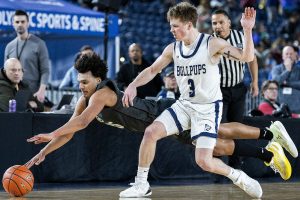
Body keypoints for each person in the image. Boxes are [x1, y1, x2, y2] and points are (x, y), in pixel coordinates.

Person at [25, 53, 297, 182]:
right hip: (161, 122)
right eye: (79, 81)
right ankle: (269, 145)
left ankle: (270, 139)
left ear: (97, 78)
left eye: (84, 81)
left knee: (220, 137)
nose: (81, 86)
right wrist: (45, 152)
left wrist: (50, 133)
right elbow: (71, 130)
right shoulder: (86, 97)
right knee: (219, 141)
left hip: (165, 113)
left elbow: (81, 123)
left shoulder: (103, 92)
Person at [120, 3, 262, 198]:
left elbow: (246, 56)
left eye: (175, 25)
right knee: (151, 132)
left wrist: (247, 30)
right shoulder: (173, 48)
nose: (171, 30)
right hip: (184, 105)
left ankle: (238, 176)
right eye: (171, 25)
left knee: (204, 161)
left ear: (188, 25)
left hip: (207, 108)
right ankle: (141, 184)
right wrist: (133, 84)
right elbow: (153, 70)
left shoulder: (211, 44)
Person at [211, 9, 259, 170]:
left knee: (237, 128)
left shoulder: (241, 36)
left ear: (229, 23)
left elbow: (252, 59)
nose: (218, 26)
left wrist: (255, 82)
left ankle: (236, 166)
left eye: (221, 22)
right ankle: (217, 169)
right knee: (218, 129)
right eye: (214, 23)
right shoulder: (209, 41)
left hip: (238, 89)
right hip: (218, 91)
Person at [4, 10, 50, 103]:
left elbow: (45, 70)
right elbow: (6, 72)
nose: (20, 24)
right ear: (13, 24)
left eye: (23, 21)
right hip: (13, 94)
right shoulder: (9, 47)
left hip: (33, 94)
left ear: (28, 23)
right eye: (17, 22)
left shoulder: (39, 44)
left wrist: (41, 91)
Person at [271, 45, 300, 113]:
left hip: (297, 108)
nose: (289, 56)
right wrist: (287, 70)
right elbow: (275, 82)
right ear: (283, 56)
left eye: (291, 54)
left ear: (295, 55)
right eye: (287, 54)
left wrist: (287, 83)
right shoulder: (276, 68)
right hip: (280, 107)